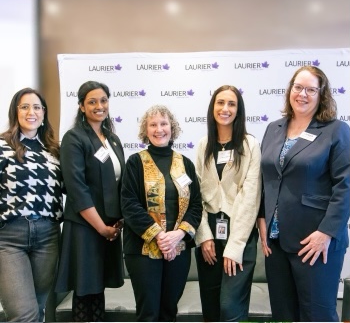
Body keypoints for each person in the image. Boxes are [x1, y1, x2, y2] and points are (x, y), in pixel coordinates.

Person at [257, 65, 350, 322]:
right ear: (290, 90)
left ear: (322, 94)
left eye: (311, 89)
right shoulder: (274, 128)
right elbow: (267, 179)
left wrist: (326, 232)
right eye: (298, 87)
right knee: (284, 316)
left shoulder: (335, 130)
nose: (303, 94)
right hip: (275, 242)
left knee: (316, 315)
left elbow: (346, 185)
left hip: (316, 242)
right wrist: (261, 219)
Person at [121, 104, 202, 322]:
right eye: (153, 124)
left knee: (169, 311)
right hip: (143, 250)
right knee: (148, 312)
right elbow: (129, 204)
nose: (159, 129)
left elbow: (196, 205)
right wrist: (159, 236)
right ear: (145, 131)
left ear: (172, 127)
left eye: (164, 123)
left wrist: (178, 236)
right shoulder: (135, 162)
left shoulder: (185, 163)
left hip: (179, 248)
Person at [55, 80, 125, 322]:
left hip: (109, 228)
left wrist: (116, 224)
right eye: (92, 101)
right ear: (81, 107)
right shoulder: (74, 138)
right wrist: (101, 228)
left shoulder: (112, 140)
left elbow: (120, 185)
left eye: (103, 100)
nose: (99, 106)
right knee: (85, 289)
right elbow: (77, 189)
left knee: (99, 286)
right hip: (86, 227)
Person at [194, 85, 261, 321]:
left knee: (230, 307)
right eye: (220, 102)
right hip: (210, 234)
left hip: (239, 232)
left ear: (239, 110)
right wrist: (204, 236)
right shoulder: (204, 145)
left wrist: (235, 246)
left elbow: (250, 196)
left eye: (231, 104)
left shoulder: (250, 145)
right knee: (211, 306)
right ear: (213, 107)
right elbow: (197, 195)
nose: (225, 108)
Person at [0, 88, 63, 322]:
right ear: (15, 112)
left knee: (38, 310)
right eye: (24, 107)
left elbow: (73, 189)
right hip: (9, 238)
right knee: (23, 315)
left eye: (36, 107)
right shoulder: (2, 145)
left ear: (44, 113)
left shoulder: (54, 150)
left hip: (48, 237)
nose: (31, 112)